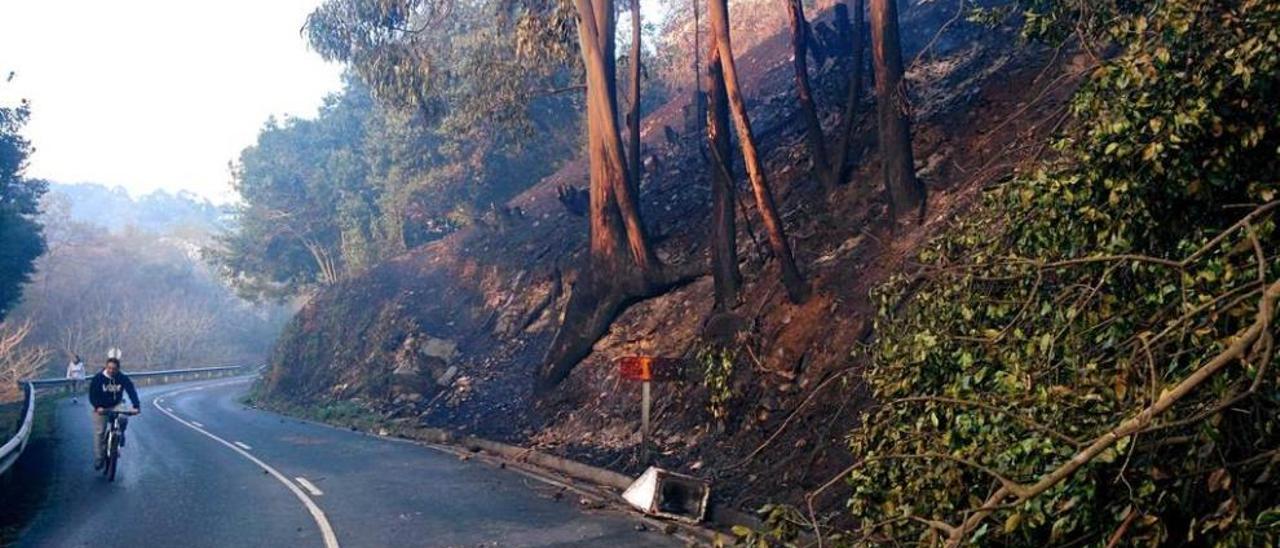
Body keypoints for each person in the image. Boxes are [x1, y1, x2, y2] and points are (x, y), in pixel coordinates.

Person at [88, 357, 140, 470]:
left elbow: (131, 391)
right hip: (101, 406)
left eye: (114, 369)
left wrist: (136, 406)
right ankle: (99, 458)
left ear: (118, 369)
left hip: (116, 404)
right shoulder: (98, 378)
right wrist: (98, 407)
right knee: (100, 432)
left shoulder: (122, 378)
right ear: (106, 367)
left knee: (123, 417)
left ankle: (120, 433)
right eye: (109, 368)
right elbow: (92, 395)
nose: (111, 371)